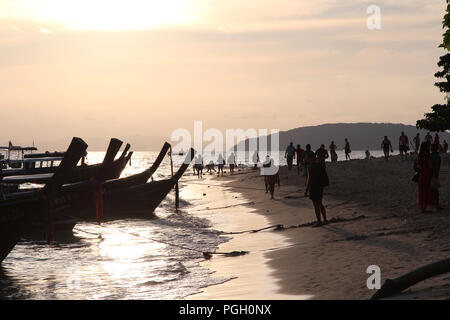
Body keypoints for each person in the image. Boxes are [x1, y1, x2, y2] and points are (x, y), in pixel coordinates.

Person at [306, 158, 329, 226]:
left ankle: (319, 221)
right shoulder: (319, 165)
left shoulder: (310, 166)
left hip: (314, 187)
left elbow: (309, 179)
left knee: (315, 205)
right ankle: (325, 219)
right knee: (320, 203)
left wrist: (306, 190)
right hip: (320, 186)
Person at [417, 142, 435, 213]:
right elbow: (430, 165)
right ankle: (424, 208)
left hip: (422, 174)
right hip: (427, 174)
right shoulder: (427, 155)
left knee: (422, 191)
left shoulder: (420, 155)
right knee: (426, 190)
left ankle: (422, 208)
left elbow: (419, 165)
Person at [430, 144, 443, 210]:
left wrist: (435, 172)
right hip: (433, 174)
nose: (431, 148)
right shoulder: (434, 155)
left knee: (434, 190)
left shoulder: (434, 156)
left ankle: (435, 204)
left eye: (431, 148)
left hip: (433, 173)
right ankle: (436, 204)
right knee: (434, 190)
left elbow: (437, 166)